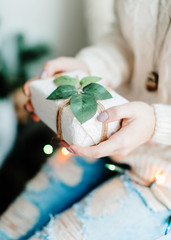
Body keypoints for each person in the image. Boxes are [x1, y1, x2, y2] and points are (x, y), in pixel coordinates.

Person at [0, 0, 171, 239]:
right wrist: (89, 66)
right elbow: (124, 41)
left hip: (164, 178)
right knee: (11, 225)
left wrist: (156, 122)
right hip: (103, 130)